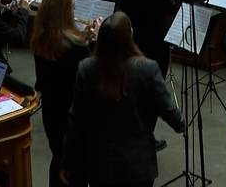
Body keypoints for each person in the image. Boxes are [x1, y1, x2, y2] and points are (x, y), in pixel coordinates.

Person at [61, 12, 184, 187]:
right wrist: (180, 123)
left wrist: (68, 161)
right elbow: (167, 109)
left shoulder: (86, 68)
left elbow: (76, 120)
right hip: (138, 167)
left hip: (100, 166)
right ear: (129, 36)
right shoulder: (148, 69)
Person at [32, 0, 97, 187]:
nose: (75, 12)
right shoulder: (76, 48)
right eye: (73, 8)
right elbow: (91, 75)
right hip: (73, 114)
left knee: (59, 158)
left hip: (52, 111)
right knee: (75, 168)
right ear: (64, 13)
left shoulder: (42, 39)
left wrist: (85, 40)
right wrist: (96, 43)